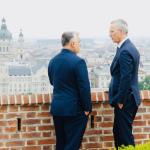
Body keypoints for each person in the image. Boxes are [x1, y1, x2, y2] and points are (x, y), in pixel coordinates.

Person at [48, 31, 92, 150]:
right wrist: (87, 109)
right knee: (72, 145)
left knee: (61, 144)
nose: (79, 45)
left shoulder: (53, 60)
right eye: (79, 42)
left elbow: (52, 82)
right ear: (72, 43)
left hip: (57, 108)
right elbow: (84, 87)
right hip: (75, 110)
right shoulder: (78, 62)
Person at [108, 19, 141, 149]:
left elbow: (125, 78)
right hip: (128, 98)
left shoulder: (125, 51)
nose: (110, 34)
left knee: (124, 137)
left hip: (125, 100)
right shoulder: (127, 47)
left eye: (112, 31)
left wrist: (120, 100)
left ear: (121, 32)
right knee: (120, 133)